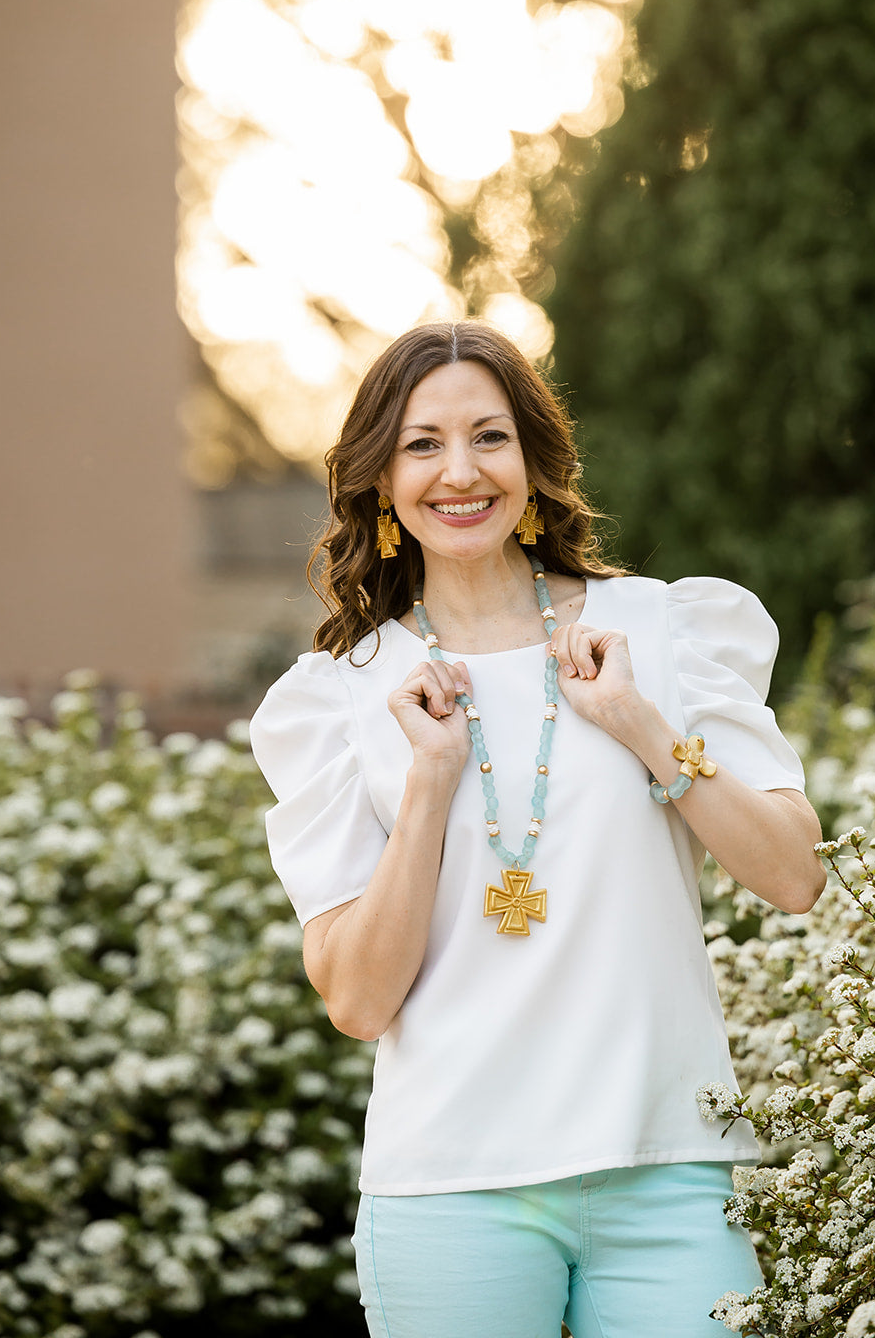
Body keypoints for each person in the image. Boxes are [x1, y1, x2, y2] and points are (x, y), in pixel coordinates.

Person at [250, 320, 825, 1338]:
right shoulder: (335, 698)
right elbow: (356, 996)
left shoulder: (656, 627)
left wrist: (642, 726)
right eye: (422, 443)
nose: (459, 471)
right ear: (379, 477)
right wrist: (428, 782)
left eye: (489, 436)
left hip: (670, 1172)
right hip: (450, 1188)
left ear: (534, 462)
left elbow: (791, 874)